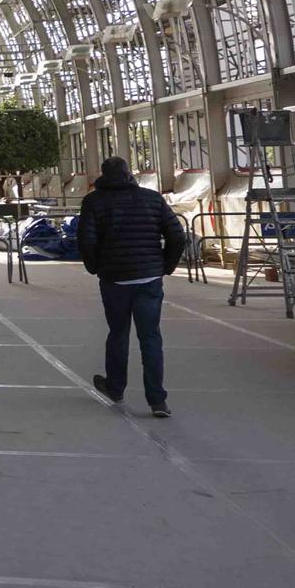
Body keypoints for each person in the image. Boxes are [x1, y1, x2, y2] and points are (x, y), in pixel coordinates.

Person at [77, 155, 187, 417]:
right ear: (129, 174)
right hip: (149, 278)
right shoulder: (152, 198)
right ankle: (157, 400)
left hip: (114, 279)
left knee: (118, 333)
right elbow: (177, 235)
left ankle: (115, 387)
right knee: (150, 337)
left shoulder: (94, 201)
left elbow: (86, 240)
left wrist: (95, 267)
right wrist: (164, 267)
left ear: (102, 176)